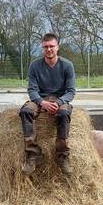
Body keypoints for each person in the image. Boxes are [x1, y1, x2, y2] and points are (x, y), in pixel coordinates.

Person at [19, 33, 76, 176]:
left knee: (64, 113)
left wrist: (58, 102)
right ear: (42, 48)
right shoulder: (35, 65)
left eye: (51, 46)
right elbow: (32, 90)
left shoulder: (67, 65)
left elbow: (70, 91)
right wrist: (42, 102)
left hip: (60, 99)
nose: (49, 49)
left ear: (57, 47)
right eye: (45, 47)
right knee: (26, 111)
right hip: (40, 99)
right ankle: (33, 154)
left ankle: (62, 156)